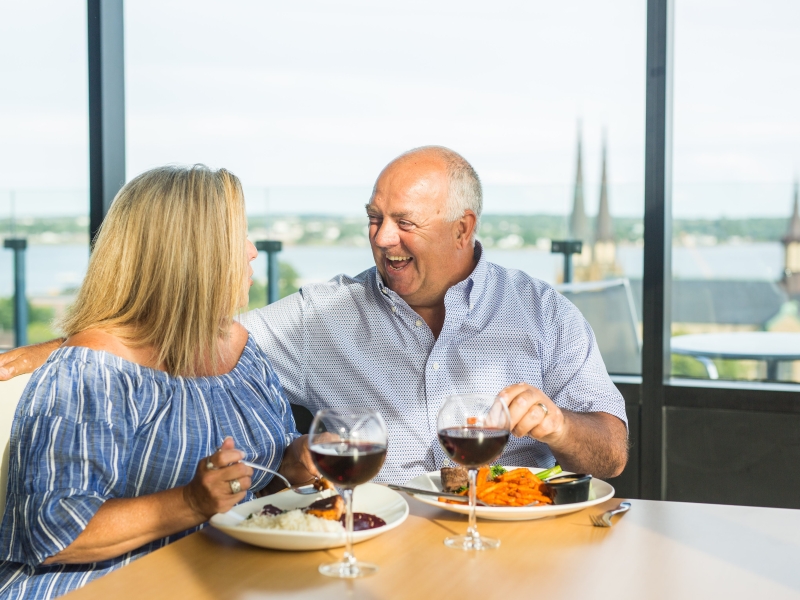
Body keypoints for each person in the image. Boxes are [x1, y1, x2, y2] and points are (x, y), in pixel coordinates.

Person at [0, 147, 628, 484]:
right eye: (373, 219)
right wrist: (54, 353)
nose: (381, 239)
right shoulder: (322, 314)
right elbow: (181, 337)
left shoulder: (542, 312)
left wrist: (560, 428)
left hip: (515, 545)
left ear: (463, 228)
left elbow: (613, 455)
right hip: (373, 551)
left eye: (404, 223)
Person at [0, 166, 316, 599]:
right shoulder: (94, 366)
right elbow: (52, 530)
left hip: (223, 578)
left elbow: (254, 475)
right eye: (236, 237)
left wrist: (292, 463)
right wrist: (189, 503)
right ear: (191, 255)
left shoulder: (239, 344)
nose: (253, 250)